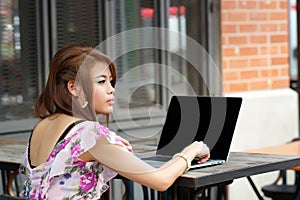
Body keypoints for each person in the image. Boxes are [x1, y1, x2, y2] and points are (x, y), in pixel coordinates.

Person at [18, 43, 210, 199]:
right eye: (101, 81)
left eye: (111, 81)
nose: (111, 89)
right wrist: (191, 150)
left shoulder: (43, 125)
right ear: (74, 88)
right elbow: (161, 180)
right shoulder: (89, 134)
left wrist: (107, 147)